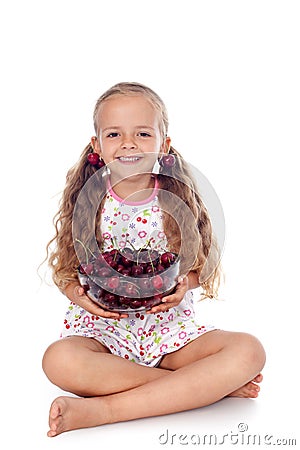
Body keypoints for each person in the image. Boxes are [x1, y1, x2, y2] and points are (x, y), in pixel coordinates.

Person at [42, 82, 266, 437]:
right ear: (96, 145)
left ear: (164, 144)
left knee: (249, 351)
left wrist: (183, 286)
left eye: (143, 133)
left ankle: (104, 409)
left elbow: (199, 266)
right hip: (105, 332)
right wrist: (75, 293)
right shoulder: (88, 199)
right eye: (114, 133)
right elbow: (69, 269)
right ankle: (202, 388)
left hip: (169, 331)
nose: (128, 143)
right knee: (58, 360)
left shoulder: (178, 196)